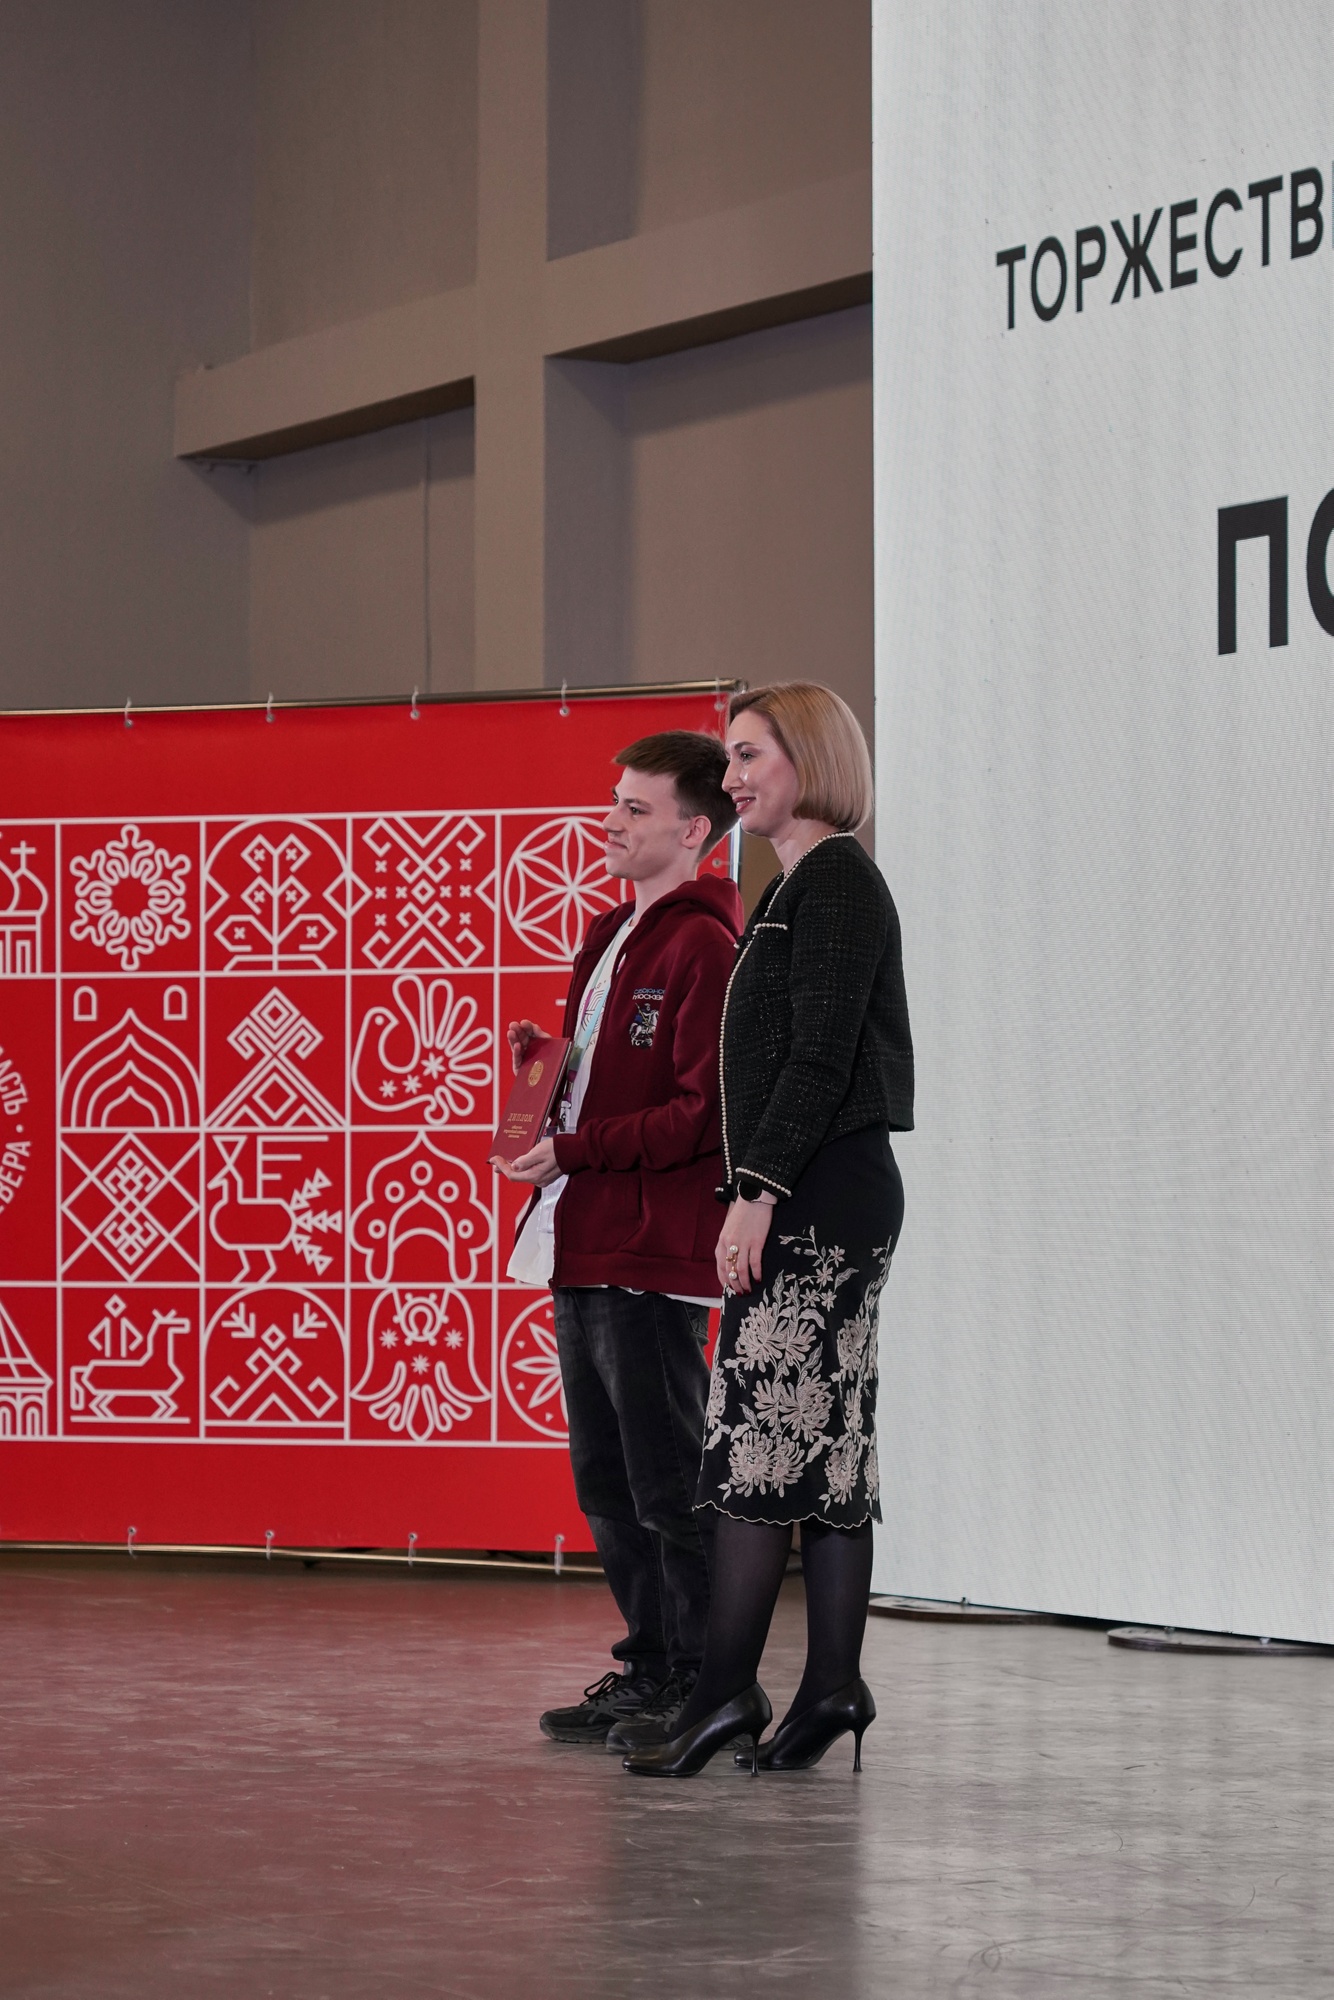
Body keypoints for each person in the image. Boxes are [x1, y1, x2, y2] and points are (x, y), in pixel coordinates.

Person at [622, 682, 913, 1779]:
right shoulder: (803, 883)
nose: (732, 776)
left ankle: (720, 1695)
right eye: (729, 757)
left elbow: (820, 1058)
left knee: (756, 1446)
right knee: (824, 1454)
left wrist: (756, 1189)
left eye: (751, 754)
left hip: (814, 1198)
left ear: (812, 759)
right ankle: (830, 1686)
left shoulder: (831, 881)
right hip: (829, 1191)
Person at [500, 731, 741, 1749]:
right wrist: (547, 1076)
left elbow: (699, 1114)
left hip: (650, 1252)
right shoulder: (609, 932)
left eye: (636, 808)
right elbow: (617, 1082)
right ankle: (649, 1666)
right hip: (588, 1238)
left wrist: (572, 1145)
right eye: (615, 801)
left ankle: (702, 1681)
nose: (611, 821)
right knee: (606, 1479)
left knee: (666, 1481)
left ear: (693, 830)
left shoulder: (704, 947)